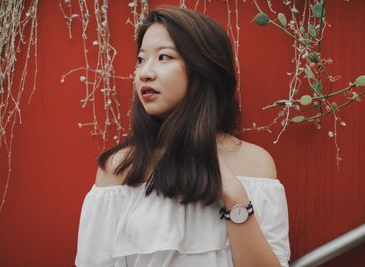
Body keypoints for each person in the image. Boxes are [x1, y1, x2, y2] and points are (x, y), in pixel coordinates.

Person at [75, 6, 290, 267]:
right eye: (141, 60)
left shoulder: (255, 163)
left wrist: (234, 195)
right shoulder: (120, 168)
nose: (144, 72)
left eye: (164, 57)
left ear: (204, 68)